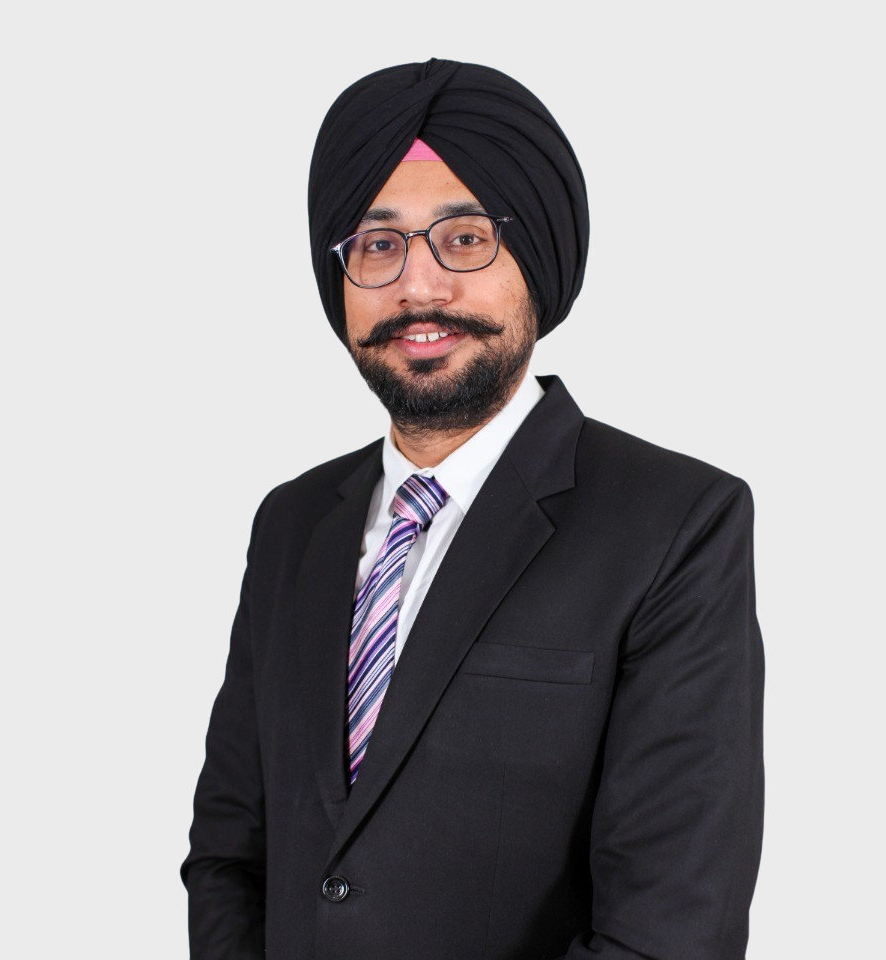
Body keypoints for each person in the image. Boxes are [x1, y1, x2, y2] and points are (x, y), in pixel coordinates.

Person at [180, 57, 764, 960]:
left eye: (464, 238)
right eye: (379, 245)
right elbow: (230, 852)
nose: (419, 289)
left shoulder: (675, 525)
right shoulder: (292, 524)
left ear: (535, 257)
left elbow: (670, 928)